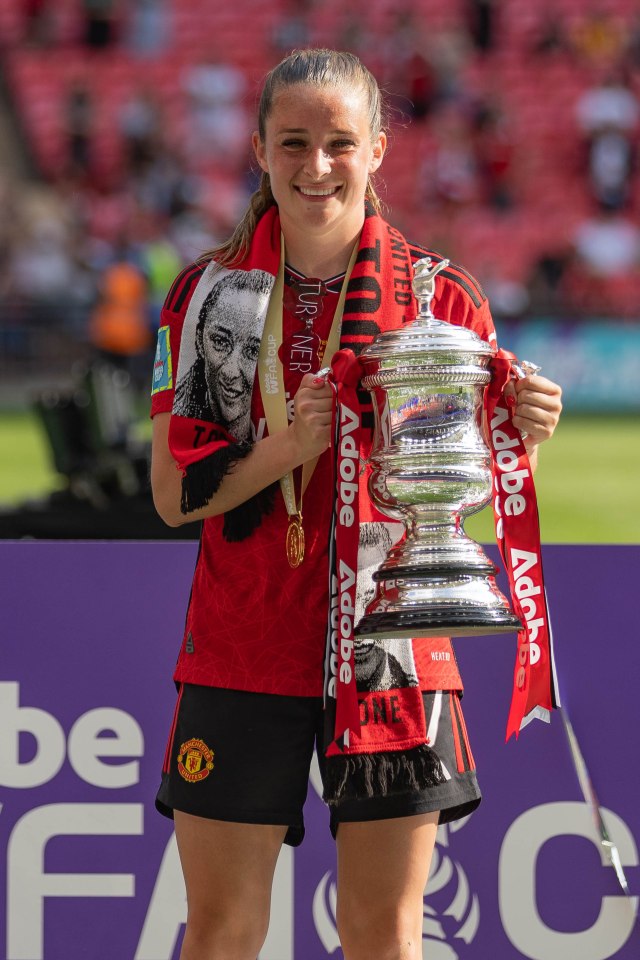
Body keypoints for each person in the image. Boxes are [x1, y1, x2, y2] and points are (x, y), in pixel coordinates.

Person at [150, 49, 562, 960]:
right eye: (292, 141)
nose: (316, 165)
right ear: (258, 148)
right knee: (221, 933)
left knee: (384, 935)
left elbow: (463, 512)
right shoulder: (206, 298)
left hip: (392, 650)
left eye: (340, 142)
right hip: (242, 645)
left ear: (378, 148)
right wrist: (293, 448)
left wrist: (516, 439)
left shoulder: (442, 300)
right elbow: (176, 496)